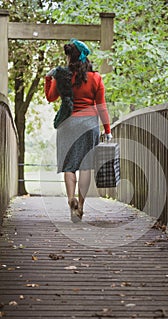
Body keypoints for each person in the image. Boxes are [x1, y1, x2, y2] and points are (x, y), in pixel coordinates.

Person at [44, 38, 112, 222]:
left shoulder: (63, 76)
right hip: (89, 125)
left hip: (68, 124)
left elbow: (50, 97)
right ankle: (81, 205)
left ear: (69, 58)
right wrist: (107, 130)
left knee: (69, 166)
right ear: (86, 59)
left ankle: (70, 200)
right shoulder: (96, 78)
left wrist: (48, 78)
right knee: (85, 167)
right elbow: (101, 106)